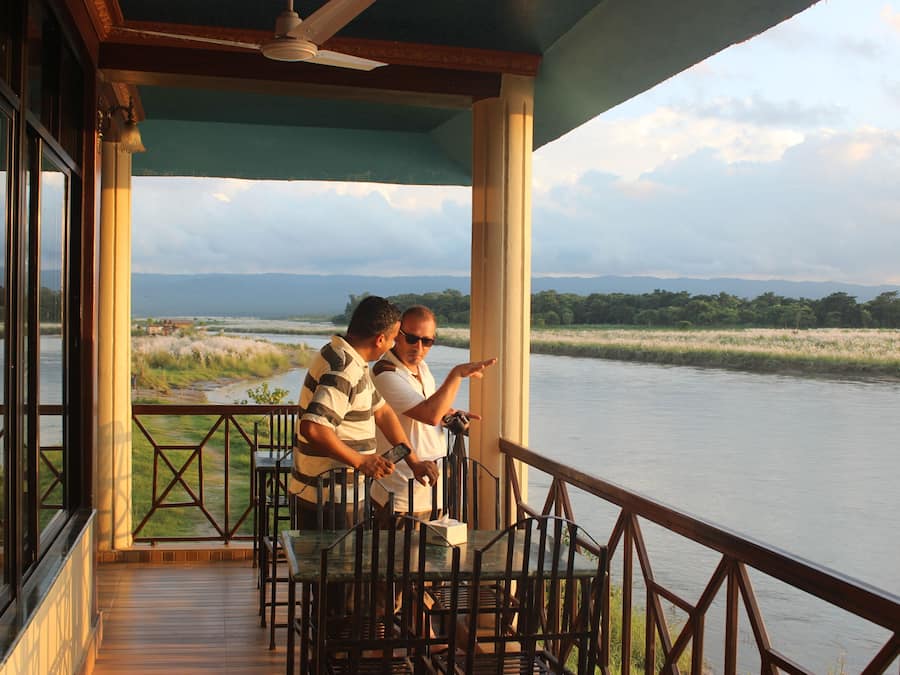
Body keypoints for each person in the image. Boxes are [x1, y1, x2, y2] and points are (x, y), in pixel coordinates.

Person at [290, 296, 438, 527]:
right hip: (330, 496)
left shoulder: (342, 355)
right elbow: (314, 428)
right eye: (392, 339)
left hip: (335, 493)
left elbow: (383, 412)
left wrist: (413, 461)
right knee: (337, 562)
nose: (392, 346)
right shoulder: (344, 371)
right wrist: (361, 461)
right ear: (380, 339)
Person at [371, 304, 496, 521]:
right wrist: (456, 374)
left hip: (433, 490)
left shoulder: (423, 369)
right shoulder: (384, 373)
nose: (419, 348)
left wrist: (449, 415)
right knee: (400, 554)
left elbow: (429, 409)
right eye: (412, 339)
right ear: (397, 335)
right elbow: (428, 415)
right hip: (401, 492)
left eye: (427, 341)